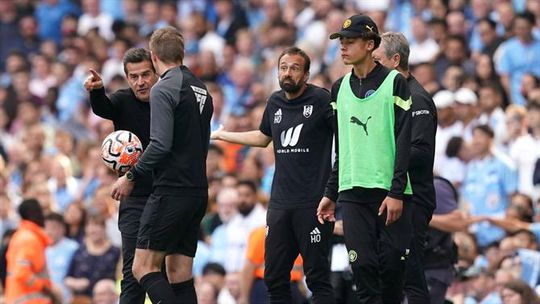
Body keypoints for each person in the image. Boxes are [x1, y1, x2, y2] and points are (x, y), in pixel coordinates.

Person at [211, 46, 335, 303]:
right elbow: (263, 136)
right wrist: (223, 135)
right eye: (283, 67)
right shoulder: (275, 101)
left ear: (307, 74)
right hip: (279, 203)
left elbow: (345, 140)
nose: (287, 73)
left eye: (295, 68)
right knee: (274, 276)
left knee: (317, 279)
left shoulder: (322, 100)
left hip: (313, 203)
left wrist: (332, 191)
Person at [111, 26, 214, 304]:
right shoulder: (201, 88)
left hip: (171, 190)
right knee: (179, 273)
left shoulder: (164, 88)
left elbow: (160, 145)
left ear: (154, 58)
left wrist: (130, 175)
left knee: (142, 267)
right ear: (181, 53)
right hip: (197, 190)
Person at [317, 14, 413, 304]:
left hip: (388, 191)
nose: (343, 48)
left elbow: (404, 140)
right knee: (363, 269)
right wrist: (330, 192)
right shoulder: (338, 88)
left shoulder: (395, 82)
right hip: (352, 192)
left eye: (350, 42)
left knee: (392, 269)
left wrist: (396, 191)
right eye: (341, 42)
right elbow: (342, 145)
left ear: (370, 44)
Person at [84, 47, 158, 304]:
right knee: (132, 274)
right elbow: (103, 108)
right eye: (134, 76)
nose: (141, 82)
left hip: (166, 194)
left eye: (146, 74)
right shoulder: (123, 100)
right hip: (134, 196)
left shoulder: (168, 101)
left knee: (170, 272)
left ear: (156, 72)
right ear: (127, 78)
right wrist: (96, 91)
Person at [372, 32, 437, 303]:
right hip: (393, 194)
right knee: (390, 273)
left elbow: (420, 152)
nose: (371, 65)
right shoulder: (384, 94)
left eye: (377, 59)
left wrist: (378, 157)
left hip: (414, 198)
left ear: (395, 60)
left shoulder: (417, 99)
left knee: (411, 272)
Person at [5, 199, 57, 304]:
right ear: (34, 214)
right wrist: (45, 289)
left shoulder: (21, 236)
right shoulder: (29, 239)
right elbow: (22, 272)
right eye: (40, 211)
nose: (42, 216)